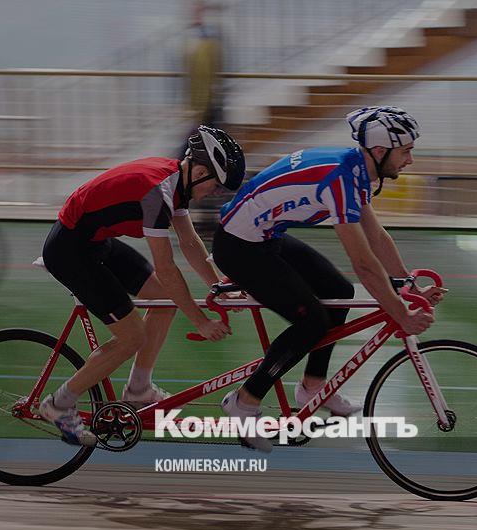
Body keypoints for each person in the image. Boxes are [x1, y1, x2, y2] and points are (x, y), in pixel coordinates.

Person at [212, 105, 447, 452]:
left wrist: (408, 288)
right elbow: (364, 264)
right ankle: (244, 401)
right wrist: (401, 313)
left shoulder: (356, 168)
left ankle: (313, 386)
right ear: (380, 151)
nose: (410, 160)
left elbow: (377, 237)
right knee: (311, 322)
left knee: (339, 290)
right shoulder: (340, 178)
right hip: (239, 247)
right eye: (406, 151)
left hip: (265, 236)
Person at [40, 126, 245, 446]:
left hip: (95, 242)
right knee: (132, 337)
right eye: (216, 185)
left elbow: (190, 243)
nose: (215, 192)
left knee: (164, 301)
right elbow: (167, 268)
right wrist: (201, 321)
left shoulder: (177, 183)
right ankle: (59, 404)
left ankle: (138, 390)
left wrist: (219, 285)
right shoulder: (158, 194)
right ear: (200, 172)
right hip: (70, 252)